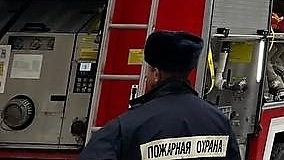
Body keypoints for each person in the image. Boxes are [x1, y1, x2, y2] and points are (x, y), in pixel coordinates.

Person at [80, 30, 241, 160]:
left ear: (156, 74)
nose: (146, 77)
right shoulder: (220, 122)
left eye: (148, 71)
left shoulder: (126, 126)